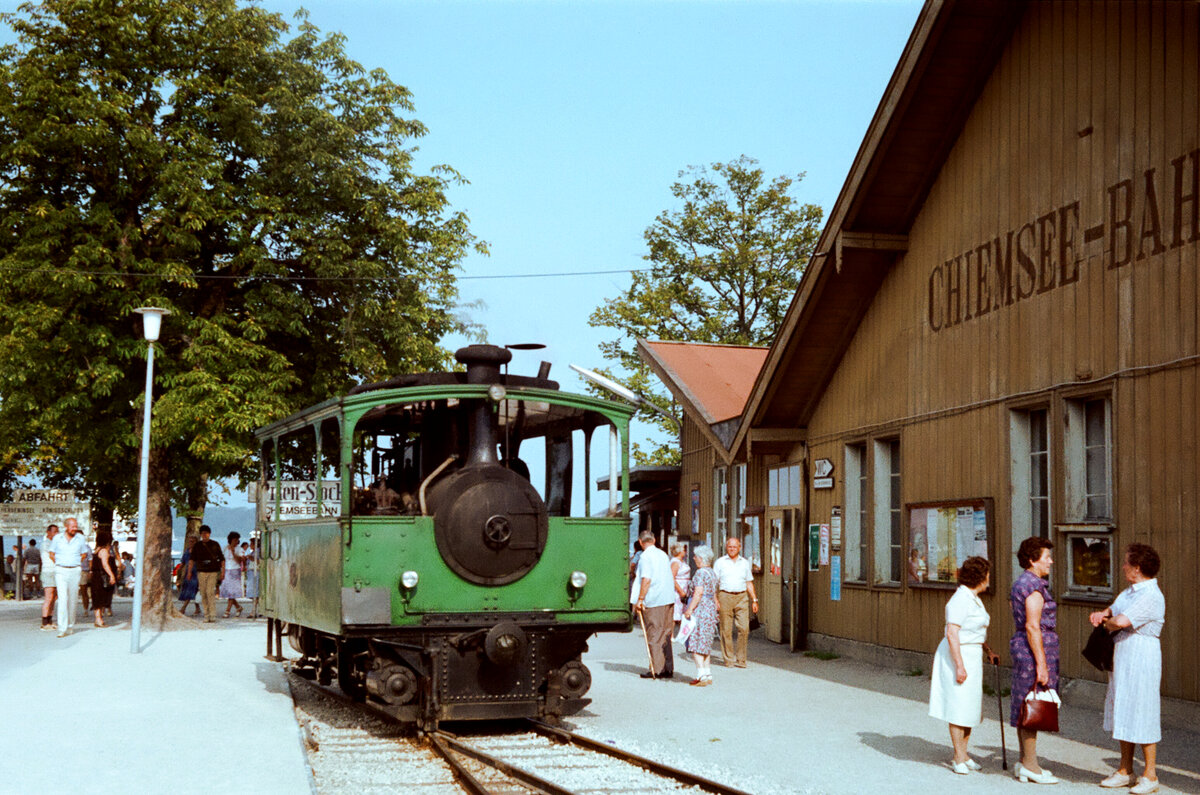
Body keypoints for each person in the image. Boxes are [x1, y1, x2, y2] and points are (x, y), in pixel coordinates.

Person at [1089, 543, 1166, 795]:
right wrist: (1103, 613)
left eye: (1126, 563)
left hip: (1142, 658)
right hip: (1123, 656)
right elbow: (1115, 609)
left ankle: (1150, 774)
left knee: (1143, 710)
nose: (1122, 567)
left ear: (1137, 569)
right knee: (1123, 707)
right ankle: (1125, 770)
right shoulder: (1131, 591)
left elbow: (1120, 621)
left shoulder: (1151, 595)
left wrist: (1105, 622)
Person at [929, 556, 1000, 774]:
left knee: (970, 706)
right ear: (980, 577)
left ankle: (964, 753)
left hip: (972, 653)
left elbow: (975, 629)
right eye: (987, 574)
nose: (989, 578)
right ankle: (958, 756)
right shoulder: (959, 600)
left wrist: (988, 650)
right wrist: (959, 666)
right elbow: (953, 633)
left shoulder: (974, 598)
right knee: (958, 705)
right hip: (957, 654)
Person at [1009, 536, 1059, 784]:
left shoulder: (1024, 583)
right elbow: (1032, 626)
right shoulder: (1034, 587)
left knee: (1026, 702)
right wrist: (1042, 664)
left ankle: (1025, 761)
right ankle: (1031, 765)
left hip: (1025, 648)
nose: (1050, 561)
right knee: (1033, 704)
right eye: (1046, 556)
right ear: (1032, 559)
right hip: (1033, 650)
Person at [632, 530, 675, 679]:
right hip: (668, 597)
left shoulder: (645, 557)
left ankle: (657, 669)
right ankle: (667, 667)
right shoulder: (663, 554)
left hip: (655, 599)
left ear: (640, 541)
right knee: (666, 633)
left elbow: (646, 579)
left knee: (655, 634)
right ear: (654, 540)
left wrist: (640, 599)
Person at [713, 537, 758, 667]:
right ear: (726, 547)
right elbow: (714, 583)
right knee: (726, 629)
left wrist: (754, 599)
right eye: (729, 547)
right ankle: (728, 658)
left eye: (734, 547)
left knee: (744, 628)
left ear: (739, 548)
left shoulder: (744, 563)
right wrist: (715, 599)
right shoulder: (720, 562)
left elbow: (749, 582)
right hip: (725, 596)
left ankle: (741, 658)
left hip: (742, 597)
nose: (732, 549)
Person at [682, 544, 719, 686]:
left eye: (696, 556)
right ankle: (707, 674)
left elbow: (698, 593)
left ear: (701, 558)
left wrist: (689, 609)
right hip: (710, 609)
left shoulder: (700, 573)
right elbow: (713, 592)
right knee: (705, 643)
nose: (694, 558)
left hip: (701, 609)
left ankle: (701, 675)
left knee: (696, 643)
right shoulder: (712, 572)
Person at [48, 517, 88, 637]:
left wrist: (75, 561)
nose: (75, 529)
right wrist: (60, 562)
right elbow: (51, 553)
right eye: (72, 526)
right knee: (62, 599)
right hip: (61, 570)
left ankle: (70, 625)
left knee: (73, 599)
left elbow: (84, 554)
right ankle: (62, 627)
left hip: (75, 570)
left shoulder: (80, 538)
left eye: (76, 526)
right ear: (66, 526)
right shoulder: (57, 538)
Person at [191, 525, 225, 623]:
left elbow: (222, 559)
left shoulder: (215, 544)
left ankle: (212, 614)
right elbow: (192, 559)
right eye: (202, 533)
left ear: (209, 534)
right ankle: (206, 614)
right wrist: (189, 572)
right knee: (203, 593)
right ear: (200, 534)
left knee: (210, 592)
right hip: (201, 571)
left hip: (213, 571)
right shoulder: (197, 546)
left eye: (206, 533)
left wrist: (223, 571)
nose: (204, 535)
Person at [89, 531, 120, 628]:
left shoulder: (97, 550)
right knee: (100, 597)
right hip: (101, 578)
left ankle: (98, 618)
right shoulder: (104, 551)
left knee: (96, 598)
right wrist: (112, 575)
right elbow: (105, 564)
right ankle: (99, 620)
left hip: (96, 576)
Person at [219, 531, 245, 617]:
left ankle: (227, 611)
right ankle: (238, 607)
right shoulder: (225, 548)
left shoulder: (239, 549)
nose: (235, 541)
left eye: (237, 540)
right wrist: (222, 572)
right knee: (227, 592)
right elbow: (223, 560)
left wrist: (234, 553)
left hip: (235, 570)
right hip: (227, 570)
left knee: (231, 592)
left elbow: (239, 561)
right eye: (234, 539)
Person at [39, 524, 58, 629]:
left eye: (57, 531)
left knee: (54, 597)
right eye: (54, 531)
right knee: (49, 596)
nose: (56, 534)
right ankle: (44, 621)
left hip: (55, 571)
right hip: (48, 571)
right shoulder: (45, 544)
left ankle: (50, 619)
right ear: (48, 532)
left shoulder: (55, 543)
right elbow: (53, 556)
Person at [670, 543, 691, 626]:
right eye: (684, 550)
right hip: (678, 590)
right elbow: (672, 578)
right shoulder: (675, 562)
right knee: (675, 613)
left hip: (685, 588)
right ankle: (671, 636)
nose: (685, 551)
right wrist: (680, 591)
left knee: (682, 612)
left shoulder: (681, 561)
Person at [177, 546, 201, 616]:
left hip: (196, 574)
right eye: (190, 541)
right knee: (193, 591)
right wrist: (179, 570)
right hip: (188, 574)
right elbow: (183, 562)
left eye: (193, 541)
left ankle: (183, 608)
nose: (191, 543)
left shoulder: (198, 551)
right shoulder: (187, 552)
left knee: (191, 591)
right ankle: (198, 608)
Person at [244, 537, 259, 618]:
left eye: (251, 544)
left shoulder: (258, 552)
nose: (250, 545)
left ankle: (253, 611)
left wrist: (251, 558)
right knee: (254, 593)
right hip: (252, 573)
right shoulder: (254, 552)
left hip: (255, 574)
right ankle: (256, 610)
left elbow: (259, 561)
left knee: (255, 593)